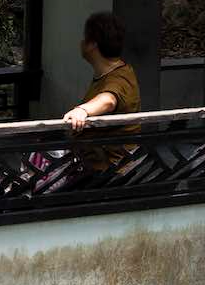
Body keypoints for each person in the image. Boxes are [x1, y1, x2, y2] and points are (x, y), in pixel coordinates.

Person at [59, 11, 144, 182]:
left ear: (92, 44)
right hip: (97, 164)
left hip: (107, 171)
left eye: (85, 38)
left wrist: (82, 110)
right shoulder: (118, 71)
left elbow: (109, 100)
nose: (81, 42)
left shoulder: (119, 78)